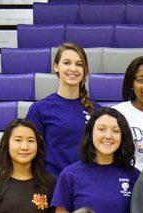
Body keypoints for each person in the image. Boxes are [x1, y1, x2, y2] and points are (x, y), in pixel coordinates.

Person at [52, 107, 139, 213]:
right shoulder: (70, 175)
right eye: (101, 129)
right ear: (90, 133)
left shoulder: (134, 176)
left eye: (115, 131)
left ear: (123, 137)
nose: (108, 136)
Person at [26, 42, 93, 176]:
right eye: (67, 63)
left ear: (85, 70)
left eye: (79, 64)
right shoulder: (40, 109)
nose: (73, 68)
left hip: (87, 185)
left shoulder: (96, 111)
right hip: (52, 185)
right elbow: (31, 152)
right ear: (56, 66)